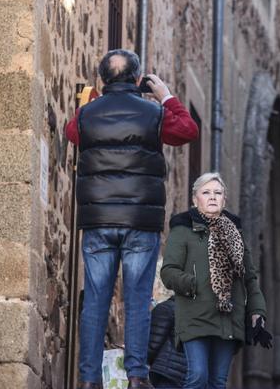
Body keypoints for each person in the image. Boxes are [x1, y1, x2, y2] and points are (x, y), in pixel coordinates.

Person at [65, 49, 199, 389]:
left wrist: (89, 105)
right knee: (138, 300)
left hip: (98, 222)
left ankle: (89, 378)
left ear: (103, 80)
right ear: (138, 80)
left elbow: (71, 133)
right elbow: (187, 131)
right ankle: (137, 376)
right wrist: (166, 96)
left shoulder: (86, 115)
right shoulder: (154, 113)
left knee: (96, 299)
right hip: (140, 220)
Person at [160, 172, 268, 389]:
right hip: (194, 315)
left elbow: (250, 278)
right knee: (197, 376)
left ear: (224, 200)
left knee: (217, 383)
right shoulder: (182, 231)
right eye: (206, 192)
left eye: (217, 193)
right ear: (194, 199)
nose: (212, 197)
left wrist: (258, 312)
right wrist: (193, 284)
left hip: (229, 318)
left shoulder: (235, 234)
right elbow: (169, 271)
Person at [148, 296, 188, 388]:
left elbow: (152, 346)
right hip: (188, 376)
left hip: (167, 374)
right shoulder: (197, 313)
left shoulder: (165, 308)